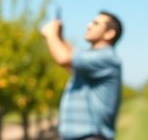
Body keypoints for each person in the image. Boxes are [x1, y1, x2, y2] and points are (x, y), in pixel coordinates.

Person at [41, 11, 123, 140]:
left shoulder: (106, 57)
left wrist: (51, 34)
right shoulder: (93, 61)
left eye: (96, 23)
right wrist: (60, 37)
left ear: (109, 34)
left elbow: (64, 58)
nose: (88, 25)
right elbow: (73, 58)